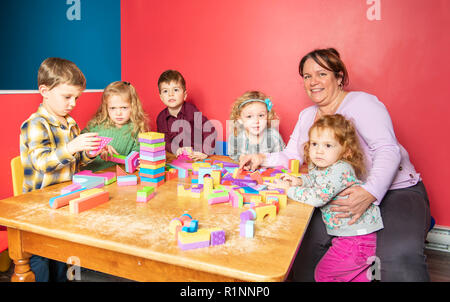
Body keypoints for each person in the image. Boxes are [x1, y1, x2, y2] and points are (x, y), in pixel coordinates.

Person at [239, 48, 431, 282]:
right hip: (335, 195)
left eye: (321, 74)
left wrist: (369, 192)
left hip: (396, 190)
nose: (313, 82)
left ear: (339, 77)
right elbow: (291, 155)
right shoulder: (307, 116)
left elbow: (388, 150)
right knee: (301, 249)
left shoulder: (363, 103)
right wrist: (261, 159)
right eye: (307, 76)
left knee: (398, 258)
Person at [270, 114, 383, 282]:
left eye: (328, 145)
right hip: (351, 237)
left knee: (324, 274)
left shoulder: (340, 169)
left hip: (356, 239)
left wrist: (290, 190)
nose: (319, 150)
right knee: (355, 276)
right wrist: (299, 180)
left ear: (346, 151)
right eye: (314, 144)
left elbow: (318, 197)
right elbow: (317, 180)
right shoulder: (323, 165)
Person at [20, 57, 102, 281]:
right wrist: (72, 146)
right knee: (42, 262)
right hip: (38, 208)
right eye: (67, 97)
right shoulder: (35, 124)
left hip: (64, 200)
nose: (73, 103)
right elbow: (43, 163)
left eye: (76, 97)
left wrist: (89, 152)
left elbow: (76, 161)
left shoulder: (71, 124)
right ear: (44, 91)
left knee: (64, 258)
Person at [82, 81, 149, 172]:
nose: (118, 113)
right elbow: (81, 145)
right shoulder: (96, 124)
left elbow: (137, 156)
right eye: (113, 108)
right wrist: (99, 148)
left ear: (133, 107)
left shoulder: (136, 129)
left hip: (114, 177)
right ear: (106, 108)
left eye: (124, 108)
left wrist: (139, 162)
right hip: (88, 174)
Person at [156, 70, 217, 161]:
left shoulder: (191, 111)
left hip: (196, 156)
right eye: (165, 91)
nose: (170, 94)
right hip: (176, 158)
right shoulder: (161, 118)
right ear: (161, 97)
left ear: (184, 95)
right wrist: (176, 149)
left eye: (175, 90)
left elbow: (209, 130)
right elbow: (164, 141)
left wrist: (204, 152)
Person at [228, 90, 285, 162]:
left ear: (267, 116)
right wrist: (241, 158)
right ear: (240, 119)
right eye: (249, 116)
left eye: (261, 115)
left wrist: (264, 160)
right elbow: (233, 155)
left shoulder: (274, 136)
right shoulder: (235, 136)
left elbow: (282, 158)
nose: (256, 121)